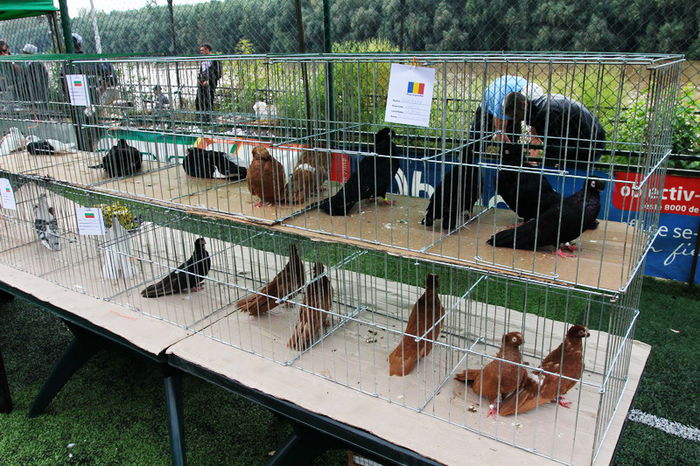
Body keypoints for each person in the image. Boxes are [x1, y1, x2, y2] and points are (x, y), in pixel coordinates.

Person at [504, 90, 606, 163]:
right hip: (587, 138)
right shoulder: (538, 107)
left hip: (590, 143)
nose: (516, 120)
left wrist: (544, 170)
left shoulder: (546, 113)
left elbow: (553, 149)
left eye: (515, 115)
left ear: (523, 105)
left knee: (568, 173)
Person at [194, 43, 220, 124]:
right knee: (198, 99)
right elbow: (201, 71)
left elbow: (218, 73)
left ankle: (208, 119)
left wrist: (209, 81)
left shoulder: (215, 59)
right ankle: (200, 118)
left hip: (210, 83)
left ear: (207, 50)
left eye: (202, 50)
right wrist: (199, 79)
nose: (201, 52)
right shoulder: (203, 59)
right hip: (201, 82)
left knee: (208, 100)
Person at [19, 44, 49, 111]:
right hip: (39, 94)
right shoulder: (35, 64)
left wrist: (15, 86)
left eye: (24, 53)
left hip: (37, 95)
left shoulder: (35, 65)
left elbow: (28, 80)